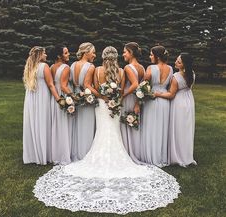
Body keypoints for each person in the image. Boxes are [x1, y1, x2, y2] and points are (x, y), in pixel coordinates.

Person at [33, 46, 180, 214]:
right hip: (116, 104)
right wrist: (117, 98)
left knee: (102, 132)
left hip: (102, 105)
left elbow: (93, 87)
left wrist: (102, 97)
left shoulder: (97, 70)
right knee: (114, 132)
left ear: (103, 57)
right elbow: (122, 89)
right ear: (116, 57)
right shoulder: (122, 71)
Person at [154, 53, 197, 167]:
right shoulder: (192, 74)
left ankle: (177, 155)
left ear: (184, 65)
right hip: (189, 101)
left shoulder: (176, 77)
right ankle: (186, 155)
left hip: (178, 103)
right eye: (176, 60)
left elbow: (171, 95)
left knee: (177, 129)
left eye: (178, 62)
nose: (175, 62)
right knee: (186, 128)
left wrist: (157, 94)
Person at [23, 46, 61, 165]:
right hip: (42, 97)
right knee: (43, 122)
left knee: (33, 122)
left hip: (31, 97)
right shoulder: (44, 66)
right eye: (44, 53)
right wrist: (58, 99)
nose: (46, 55)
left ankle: (34, 154)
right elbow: (50, 85)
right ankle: (44, 154)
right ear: (39, 55)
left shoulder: (30, 67)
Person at [140, 45, 173, 167]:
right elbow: (169, 86)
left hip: (152, 100)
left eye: (151, 54)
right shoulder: (170, 69)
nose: (150, 56)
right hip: (165, 101)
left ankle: (149, 155)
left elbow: (144, 84)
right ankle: (160, 155)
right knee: (162, 128)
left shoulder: (150, 68)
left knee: (150, 126)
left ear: (157, 57)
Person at [69, 42, 96, 161]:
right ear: (86, 52)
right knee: (87, 124)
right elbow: (87, 86)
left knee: (76, 124)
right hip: (86, 99)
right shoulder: (90, 67)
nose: (94, 55)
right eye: (93, 52)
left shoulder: (73, 65)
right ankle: (86, 152)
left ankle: (75, 151)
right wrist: (100, 95)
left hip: (75, 97)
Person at [121, 42, 145, 163]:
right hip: (137, 99)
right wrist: (138, 102)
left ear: (130, 53)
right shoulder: (142, 68)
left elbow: (135, 84)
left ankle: (127, 153)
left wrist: (122, 95)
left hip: (129, 98)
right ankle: (135, 152)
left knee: (126, 124)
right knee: (133, 125)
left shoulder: (128, 67)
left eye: (125, 52)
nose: (123, 54)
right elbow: (142, 87)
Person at [50, 45, 72, 165]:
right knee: (63, 124)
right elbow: (64, 86)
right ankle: (63, 153)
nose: (68, 54)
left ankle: (55, 153)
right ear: (59, 56)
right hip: (62, 97)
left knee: (55, 124)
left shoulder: (51, 67)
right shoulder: (66, 67)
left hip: (53, 97)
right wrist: (73, 96)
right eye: (66, 53)